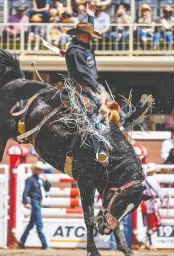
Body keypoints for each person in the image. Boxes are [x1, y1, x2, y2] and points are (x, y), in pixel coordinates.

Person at [65, 3, 109, 166]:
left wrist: (90, 16)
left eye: (89, 35)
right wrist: (98, 89)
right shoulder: (75, 51)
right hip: (83, 89)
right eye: (86, 35)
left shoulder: (82, 46)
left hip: (92, 86)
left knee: (109, 111)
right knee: (93, 117)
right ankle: (100, 150)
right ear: (79, 35)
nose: (89, 37)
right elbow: (83, 74)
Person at [18, 161, 51, 249]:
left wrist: (47, 181)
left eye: (41, 169)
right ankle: (44, 244)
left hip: (38, 202)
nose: (40, 171)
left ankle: (21, 242)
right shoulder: (31, 179)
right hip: (35, 202)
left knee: (31, 224)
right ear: (34, 170)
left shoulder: (40, 179)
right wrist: (26, 202)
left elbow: (47, 189)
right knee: (39, 224)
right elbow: (26, 192)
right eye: (39, 169)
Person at [141, 163, 163, 247]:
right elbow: (159, 192)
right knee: (155, 222)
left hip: (147, 203)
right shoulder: (152, 180)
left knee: (148, 222)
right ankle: (152, 242)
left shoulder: (144, 180)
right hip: (154, 204)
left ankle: (147, 241)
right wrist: (162, 200)